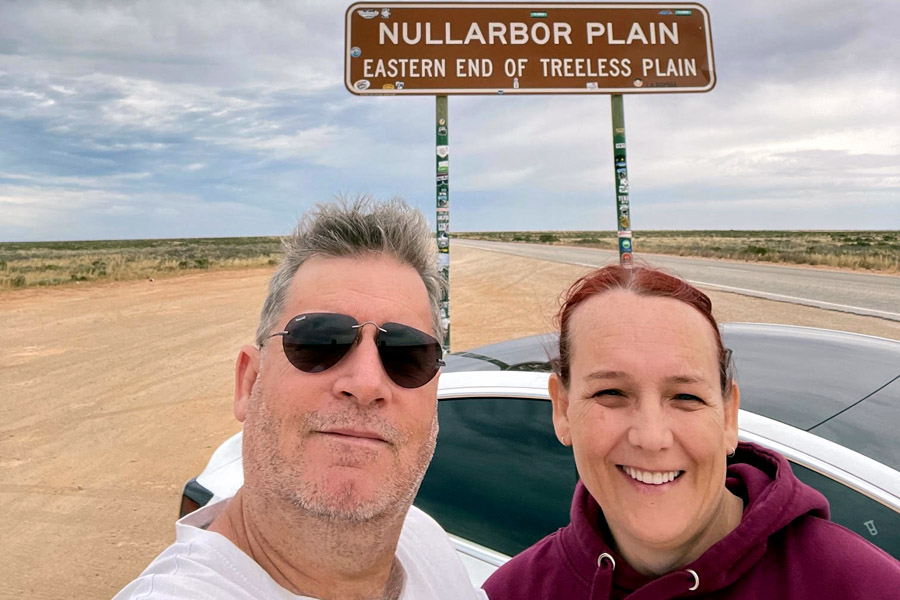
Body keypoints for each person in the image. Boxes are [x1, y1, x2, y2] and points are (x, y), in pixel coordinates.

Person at [114, 198, 483, 600]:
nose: (365, 383)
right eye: (320, 341)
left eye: (407, 354)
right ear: (249, 382)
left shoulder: (427, 542)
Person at [483, 264, 900, 599]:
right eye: (611, 392)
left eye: (685, 397)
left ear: (728, 416)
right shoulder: (509, 592)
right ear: (562, 410)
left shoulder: (866, 586)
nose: (651, 436)